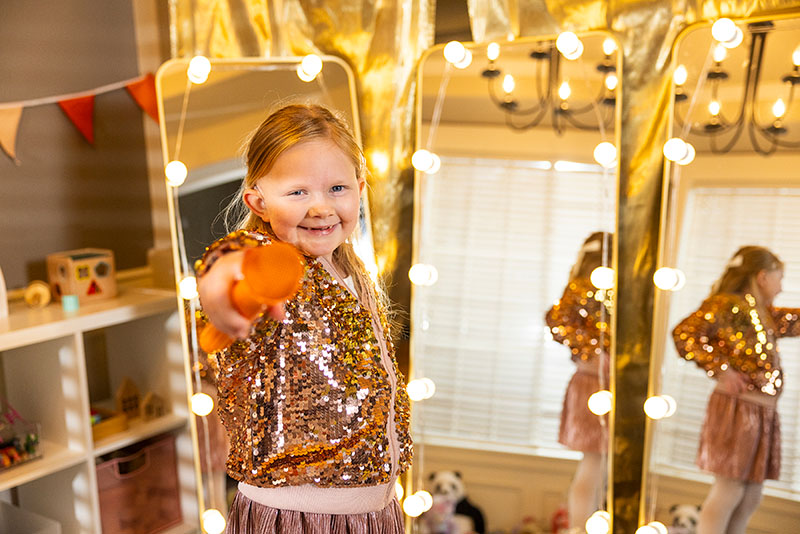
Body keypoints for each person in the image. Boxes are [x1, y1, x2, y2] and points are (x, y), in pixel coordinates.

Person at [196, 104, 412, 533]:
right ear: (258, 200)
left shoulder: (352, 270)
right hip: (299, 518)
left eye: (337, 188)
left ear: (360, 187)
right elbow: (233, 260)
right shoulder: (273, 260)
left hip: (375, 512)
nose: (320, 207)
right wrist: (221, 282)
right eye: (298, 192)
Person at [672, 246, 800, 534]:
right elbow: (684, 334)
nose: (782, 287)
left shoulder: (763, 314)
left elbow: (795, 320)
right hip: (738, 409)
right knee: (729, 488)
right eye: (780, 278)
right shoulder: (727, 305)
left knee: (751, 494)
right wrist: (721, 370)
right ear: (763, 276)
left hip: (762, 412)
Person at [545, 231, 613, 532]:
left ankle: (585, 526)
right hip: (592, 386)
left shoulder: (612, 292)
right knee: (594, 465)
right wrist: (592, 353)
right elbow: (556, 320)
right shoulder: (583, 288)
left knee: (600, 467)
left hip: (604, 386)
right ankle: (578, 528)